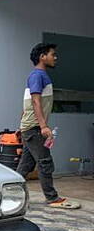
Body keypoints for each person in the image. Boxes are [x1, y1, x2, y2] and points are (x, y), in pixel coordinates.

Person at [17, 43, 80, 209]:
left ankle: (10, 194)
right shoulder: (37, 76)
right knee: (45, 162)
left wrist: (22, 125)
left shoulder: (40, 76)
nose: (55, 57)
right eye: (53, 54)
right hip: (34, 128)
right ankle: (52, 198)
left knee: (25, 166)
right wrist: (43, 126)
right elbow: (35, 101)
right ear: (42, 57)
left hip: (30, 127)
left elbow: (27, 104)